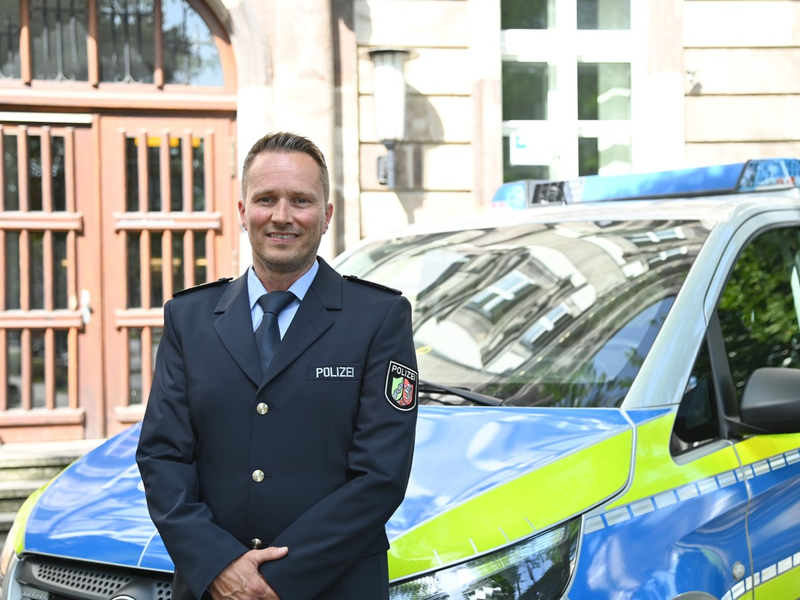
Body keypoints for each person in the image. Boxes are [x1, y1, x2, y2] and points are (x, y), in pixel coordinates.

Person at [136, 132, 418, 600]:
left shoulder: (378, 318)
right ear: (244, 212)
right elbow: (163, 457)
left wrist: (273, 582)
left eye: (301, 200)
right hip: (213, 589)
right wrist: (220, 565)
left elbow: (380, 475)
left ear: (326, 216)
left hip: (335, 587)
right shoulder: (189, 318)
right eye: (266, 199)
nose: (282, 216)